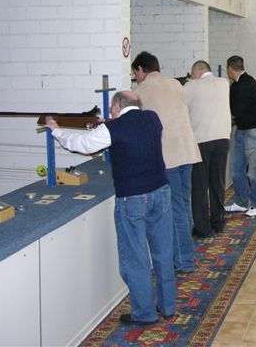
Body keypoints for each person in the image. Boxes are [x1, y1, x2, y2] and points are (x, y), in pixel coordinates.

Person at [46, 91, 176, 325]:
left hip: (133, 198)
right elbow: (133, 129)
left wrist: (56, 130)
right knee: (163, 253)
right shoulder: (153, 118)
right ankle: (167, 307)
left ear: (117, 106)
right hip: (161, 192)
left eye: (111, 109)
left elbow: (82, 144)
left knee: (136, 259)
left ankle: (144, 313)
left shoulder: (113, 128)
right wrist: (108, 124)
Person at [132, 51, 201, 274]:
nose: (136, 77)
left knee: (175, 209)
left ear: (141, 70)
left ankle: (184, 260)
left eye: (135, 73)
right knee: (184, 204)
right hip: (187, 151)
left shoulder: (141, 92)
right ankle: (186, 252)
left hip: (168, 156)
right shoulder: (176, 84)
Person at [184, 60, 231, 237]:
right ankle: (218, 222)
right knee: (217, 182)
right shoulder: (224, 83)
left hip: (201, 140)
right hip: (223, 139)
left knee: (200, 185)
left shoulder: (191, 86)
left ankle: (202, 227)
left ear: (197, 71)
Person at [225, 55, 256, 217]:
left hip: (254, 132)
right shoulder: (238, 83)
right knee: (237, 169)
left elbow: (236, 110)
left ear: (230, 68)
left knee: (254, 171)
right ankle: (241, 202)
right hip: (241, 130)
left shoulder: (245, 84)